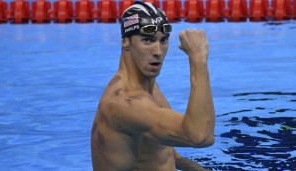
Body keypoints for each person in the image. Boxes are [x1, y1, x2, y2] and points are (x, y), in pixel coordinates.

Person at [91, 1, 215, 171]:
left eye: (163, 40)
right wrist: (198, 58)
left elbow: (169, 153)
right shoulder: (124, 104)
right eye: (147, 40)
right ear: (126, 41)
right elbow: (201, 136)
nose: (158, 51)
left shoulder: (148, 88)